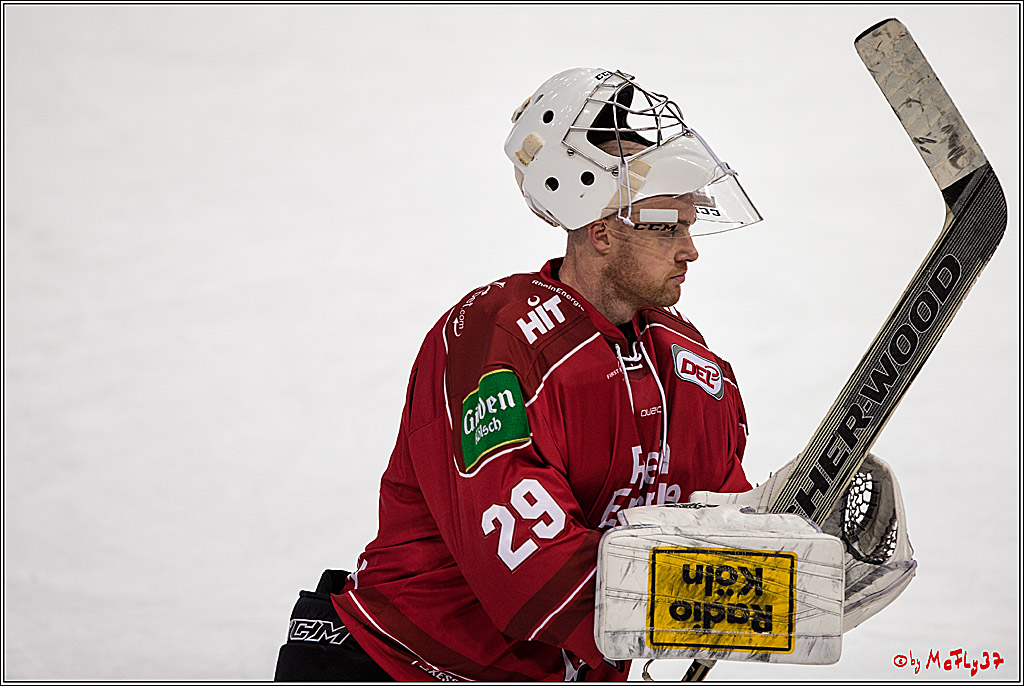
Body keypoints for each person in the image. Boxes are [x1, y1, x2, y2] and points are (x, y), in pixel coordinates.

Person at [275, 67, 763, 681]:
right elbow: (534, 573)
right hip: (403, 668)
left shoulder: (691, 365)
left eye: (691, 225)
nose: (690, 249)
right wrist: (758, 603)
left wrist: (806, 552)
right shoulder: (496, 337)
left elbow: (722, 523)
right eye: (667, 227)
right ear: (602, 232)